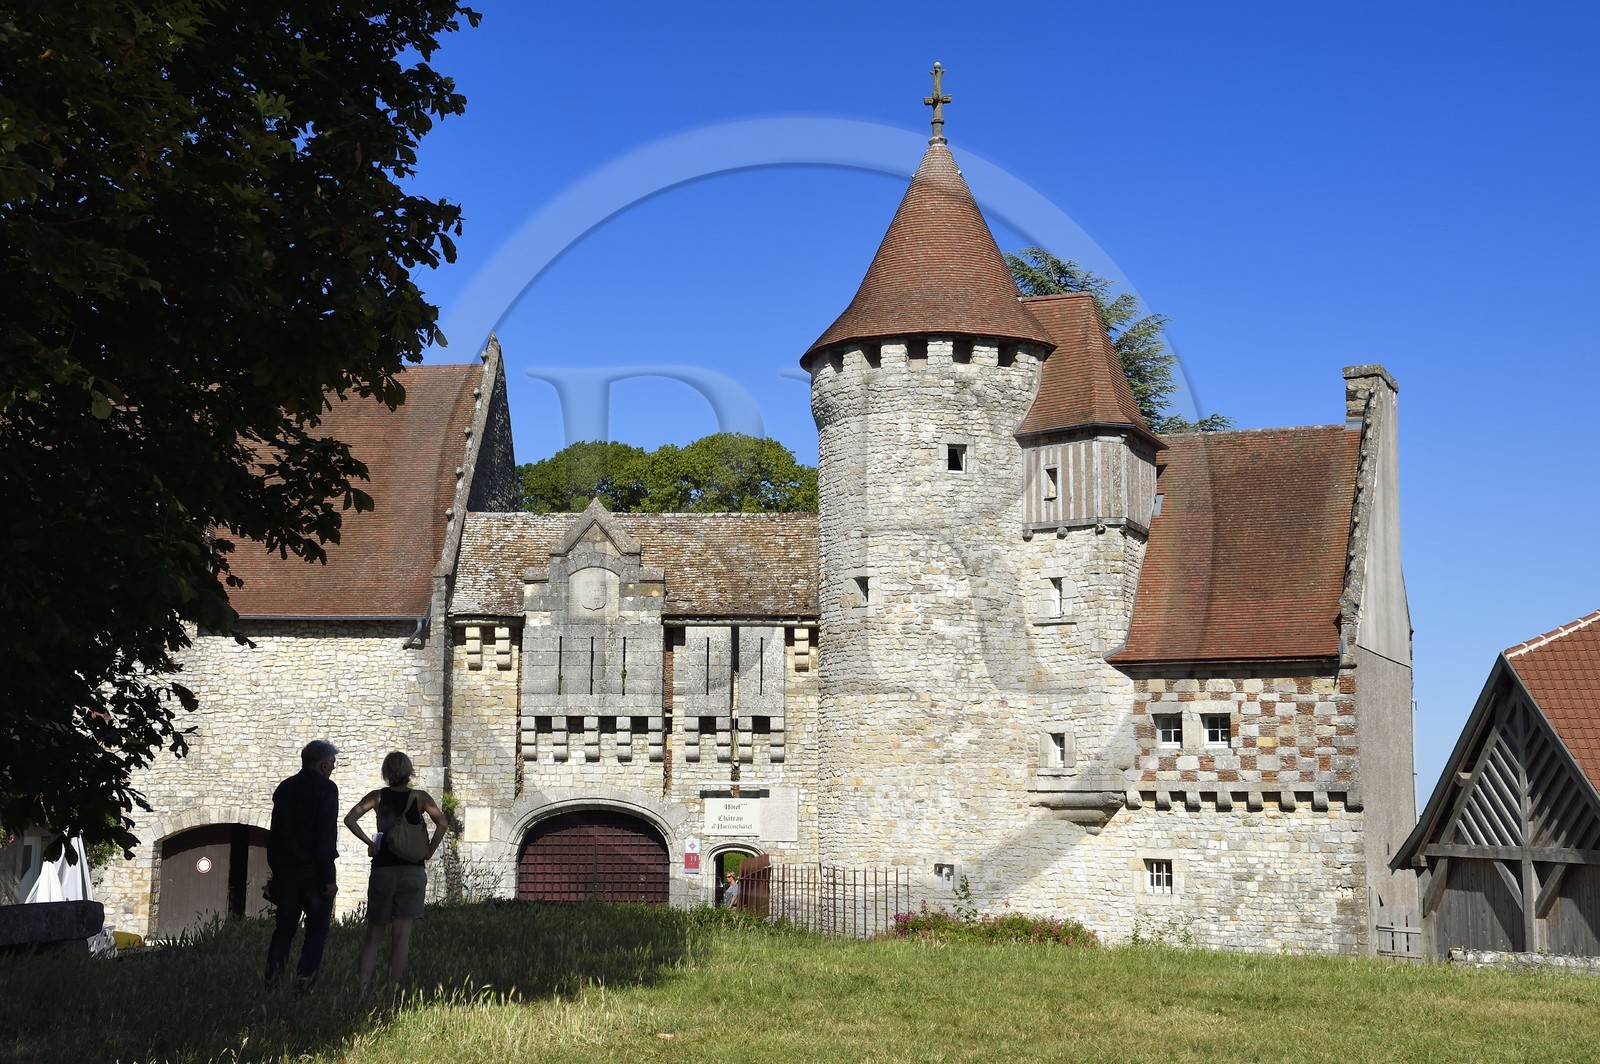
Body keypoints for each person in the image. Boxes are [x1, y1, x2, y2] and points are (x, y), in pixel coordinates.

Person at [344, 750, 447, 994]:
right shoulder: (421, 798)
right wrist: (429, 850)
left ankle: (362, 991)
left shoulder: (377, 798)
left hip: (383, 870)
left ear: (386, 772)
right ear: (409, 772)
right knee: (402, 935)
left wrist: (370, 843)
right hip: (412, 872)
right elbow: (442, 823)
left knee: (374, 935)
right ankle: (392, 992)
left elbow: (350, 819)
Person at [265, 739, 339, 988]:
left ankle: (271, 984)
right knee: (316, 933)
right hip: (314, 874)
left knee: (283, 931)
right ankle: (304, 986)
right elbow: (325, 836)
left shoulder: (285, 788)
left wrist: (275, 872)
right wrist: (330, 878)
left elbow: (275, 833)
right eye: (332, 765)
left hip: (286, 872)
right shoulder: (326, 789)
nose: (331, 770)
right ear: (323, 765)